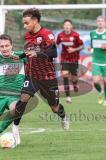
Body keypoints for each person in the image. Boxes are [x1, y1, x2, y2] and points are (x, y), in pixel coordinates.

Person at [12, 8, 69, 140]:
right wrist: (20, 56)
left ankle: (63, 116)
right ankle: (15, 129)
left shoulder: (46, 35)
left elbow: (53, 53)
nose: (25, 26)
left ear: (35, 21)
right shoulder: (28, 35)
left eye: (26, 23)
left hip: (47, 76)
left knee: (54, 108)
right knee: (24, 98)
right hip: (31, 74)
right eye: (24, 23)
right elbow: (29, 52)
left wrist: (36, 53)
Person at [88, 16, 106, 106]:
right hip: (96, 60)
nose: (100, 23)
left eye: (102, 21)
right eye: (98, 21)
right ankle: (100, 93)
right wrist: (90, 47)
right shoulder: (92, 33)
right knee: (95, 81)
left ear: (104, 23)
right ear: (96, 23)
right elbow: (92, 44)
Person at [56, 19, 84, 103]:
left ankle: (75, 84)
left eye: (68, 25)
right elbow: (57, 44)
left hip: (74, 59)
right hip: (64, 58)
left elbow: (82, 46)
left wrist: (74, 49)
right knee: (65, 75)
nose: (67, 27)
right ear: (63, 26)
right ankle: (68, 97)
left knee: (74, 77)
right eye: (65, 25)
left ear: (71, 26)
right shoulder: (60, 35)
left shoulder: (76, 35)